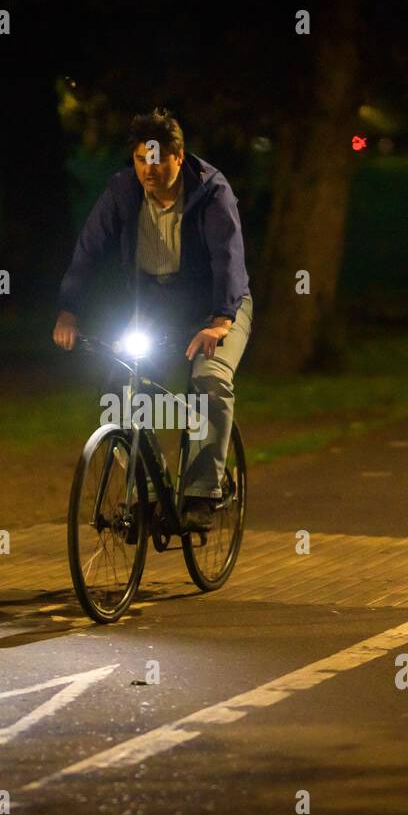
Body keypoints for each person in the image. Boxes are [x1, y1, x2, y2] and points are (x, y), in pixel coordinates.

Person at [52, 108, 254, 531]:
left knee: (209, 381)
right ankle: (147, 492)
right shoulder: (122, 191)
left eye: (158, 158)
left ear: (179, 158)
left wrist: (219, 321)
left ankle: (202, 494)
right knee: (119, 394)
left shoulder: (211, 191)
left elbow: (228, 260)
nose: (149, 168)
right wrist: (69, 309)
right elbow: (88, 251)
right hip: (158, 311)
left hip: (218, 308)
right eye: (141, 158)